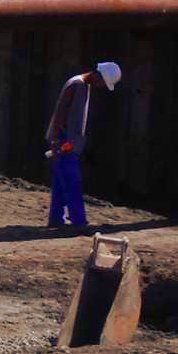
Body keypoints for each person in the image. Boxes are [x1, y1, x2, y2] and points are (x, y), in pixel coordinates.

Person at [45, 62, 122, 229]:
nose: (101, 86)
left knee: (61, 182)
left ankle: (56, 219)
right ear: (98, 74)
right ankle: (79, 222)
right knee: (72, 181)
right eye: (103, 82)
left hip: (68, 140)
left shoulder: (83, 85)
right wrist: (57, 139)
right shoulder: (77, 84)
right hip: (65, 140)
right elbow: (60, 111)